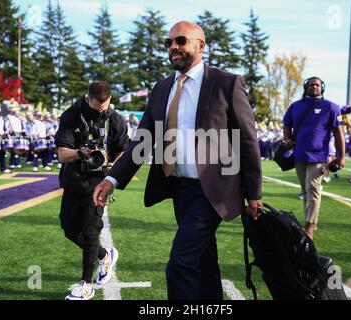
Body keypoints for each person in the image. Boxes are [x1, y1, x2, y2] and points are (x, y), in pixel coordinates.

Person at [93, 21, 263, 300]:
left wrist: (254, 194)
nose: (173, 46)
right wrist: (112, 179)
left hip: (212, 191)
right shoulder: (161, 88)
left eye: (181, 40)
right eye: (169, 42)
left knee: (179, 265)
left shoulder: (226, 82)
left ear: (200, 45)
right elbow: (143, 139)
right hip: (178, 189)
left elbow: (247, 140)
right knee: (204, 262)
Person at [55, 81, 129, 300]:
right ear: (87, 99)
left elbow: (125, 152)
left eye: (104, 108)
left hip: (99, 183)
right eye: (97, 109)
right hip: (73, 180)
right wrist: (81, 153)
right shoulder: (71, 115)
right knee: (69, 229)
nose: (101, 112)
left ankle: (86, 285)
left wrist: (113, 165)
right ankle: (105, 255)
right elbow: (62, 155)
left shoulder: (115, 119)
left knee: (90, 232)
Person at [282, 76, 345, 239]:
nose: (314, 87)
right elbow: (286, 123)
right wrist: (287, 139)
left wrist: (341, 156)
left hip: (319, 156)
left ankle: (310, 225)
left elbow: (339, 133)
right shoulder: (296, 106)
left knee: (313, 189)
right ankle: (310, 221)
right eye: (311, 85)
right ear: (306, 87)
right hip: (299, 154)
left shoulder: (331, 107)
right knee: (305, 190)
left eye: (317, 85)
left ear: (322, 87)